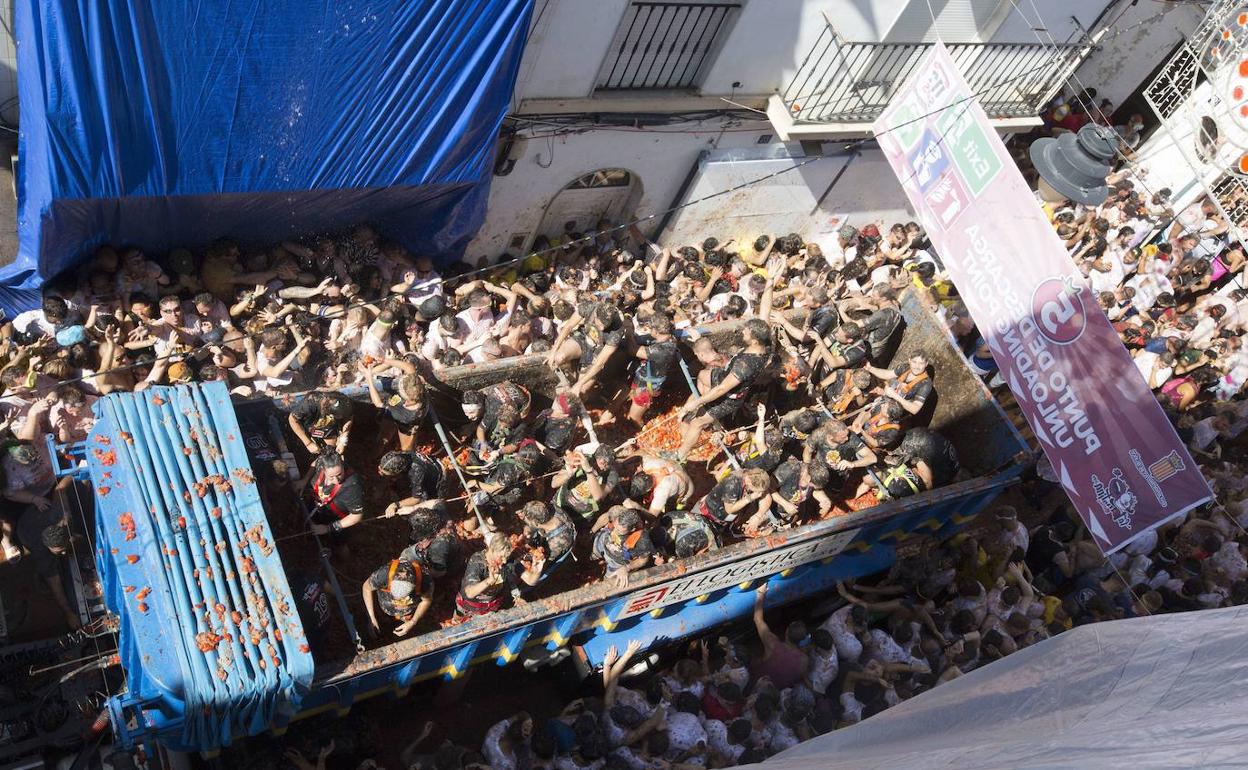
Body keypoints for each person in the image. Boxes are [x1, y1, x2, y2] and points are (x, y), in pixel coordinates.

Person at [456, 538, 543, 617]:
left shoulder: (507, 561)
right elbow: (469, 593)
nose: (504, 560)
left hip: (492, 608)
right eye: (501, 557)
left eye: (506, 557)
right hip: (469, 608)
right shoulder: (477, 562)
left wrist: (537, 572)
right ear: (492, 550)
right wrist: (489, 581)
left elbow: (531, 581)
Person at [751, 583, 809, 690]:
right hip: (777, 690)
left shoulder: (773, 644)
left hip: (758, 686)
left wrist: (760, 593)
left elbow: (757, 619)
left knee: (754, 661)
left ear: (786, 632)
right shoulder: (804, 661)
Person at [362, 553, 434, 638]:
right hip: (384, 605)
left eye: (404, 597)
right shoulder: (383, 575)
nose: (400, 600)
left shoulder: (424, 579)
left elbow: (426, 600)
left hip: (408, 611)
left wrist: (413, 622)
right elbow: (366, 588)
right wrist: (372, 617)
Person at [304, 450, 366, 541]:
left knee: (339, 544)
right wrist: (304, 480)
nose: (337, 480)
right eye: (331, 477)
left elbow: (356, 516)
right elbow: (315, 462)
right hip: (317, 507)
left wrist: (328, 528)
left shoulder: (352, 486)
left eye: (339, 474)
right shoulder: (322, 461)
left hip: (336, 520)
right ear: (323, 469)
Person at [593, 506, 655, 588]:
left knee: (608, 583)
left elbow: (643, 560)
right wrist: (591, 532)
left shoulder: (642, 540)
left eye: (619, 530)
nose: (615, 529)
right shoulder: (618, 512)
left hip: (617, 562)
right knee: (591, 558)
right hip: (602, 542)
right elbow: (605, 517)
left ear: (632, 529)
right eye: (616, 524)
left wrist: (627, 568)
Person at [288, 391, 354, 455]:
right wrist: (308, 443)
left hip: (328, 429)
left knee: (332, 452)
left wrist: (343, 439)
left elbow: (349, 417)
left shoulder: (345, 402)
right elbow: (292, 419)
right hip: (308, 426)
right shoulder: (310, 402)